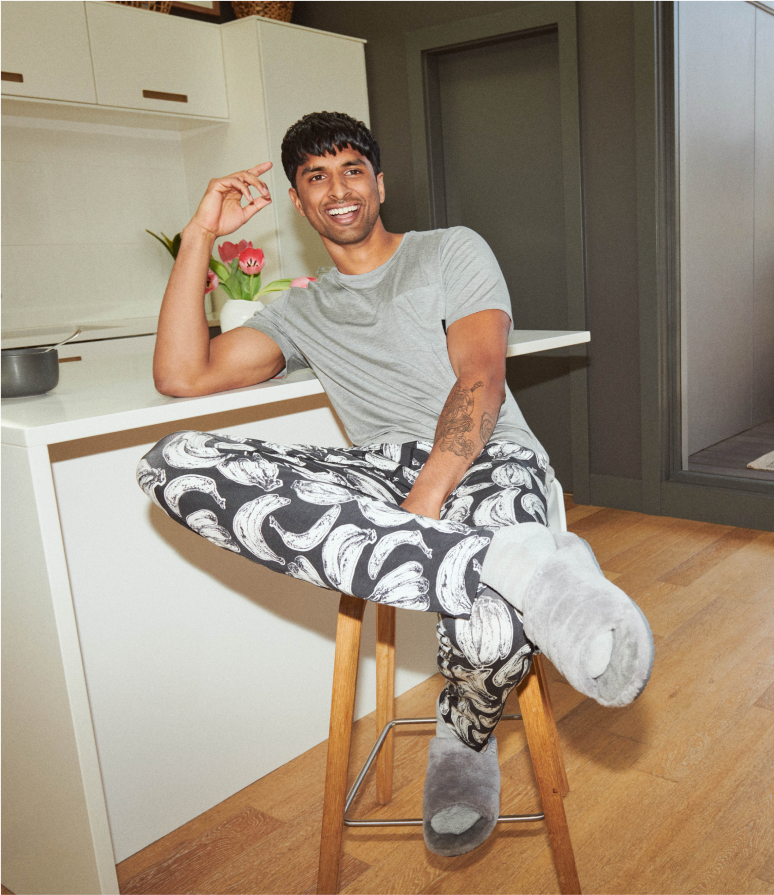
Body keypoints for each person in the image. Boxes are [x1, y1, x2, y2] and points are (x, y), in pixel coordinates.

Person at [136, 111, 653, 857]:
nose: (336, 189)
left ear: (378, 182)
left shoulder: (448, 251)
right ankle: (518, 563)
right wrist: (198, 238)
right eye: (315, 176)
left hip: (490, 457)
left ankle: (462, 738)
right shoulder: (302, 309)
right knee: (173, 460)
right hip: (382, 470)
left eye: (351, 169)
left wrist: (423, 506)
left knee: (490, 616)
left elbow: (479, 376)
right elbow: (181, 376)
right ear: (296, 199)